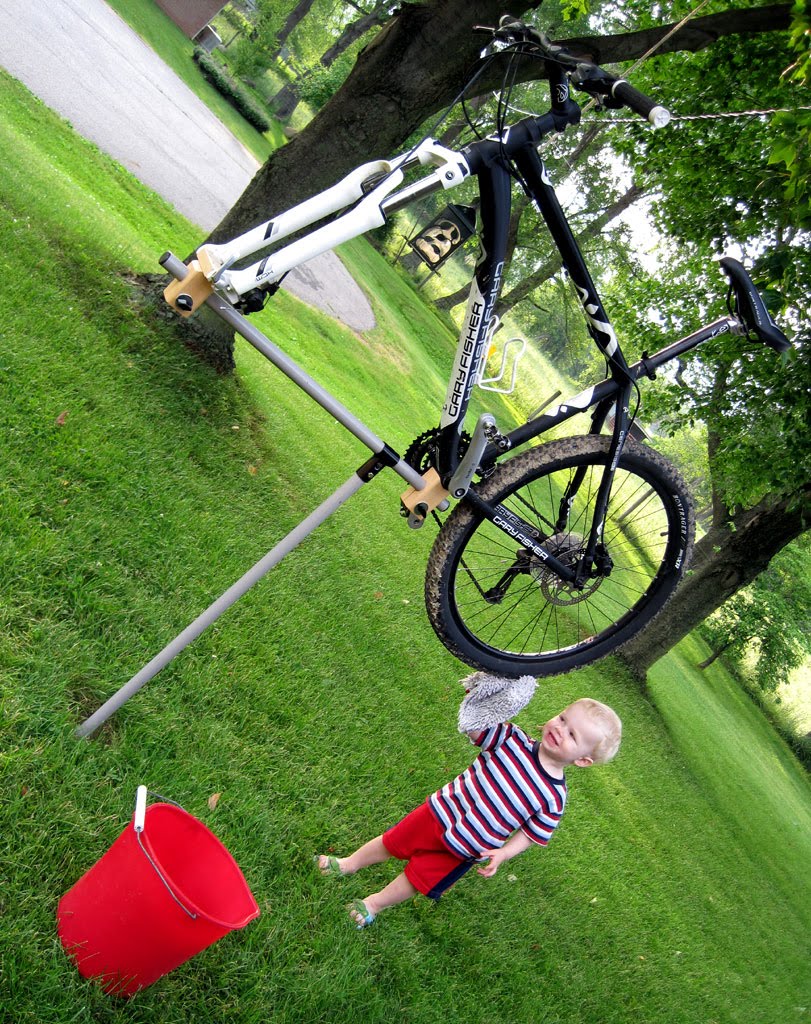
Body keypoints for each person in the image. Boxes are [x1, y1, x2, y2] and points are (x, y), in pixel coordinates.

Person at [316, 697, 622, 928]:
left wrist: (503, 853)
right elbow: (475, 729)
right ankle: (348, 864)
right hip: (439, 811)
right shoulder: (511, 739)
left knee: (416, 879)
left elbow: (532, 835)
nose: (560, 729)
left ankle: (373, 905)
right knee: (391, 842)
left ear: (583, 761)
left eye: (572, 736)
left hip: (466, 849)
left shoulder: (554, 796)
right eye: (563, 718)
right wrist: (481, 697)